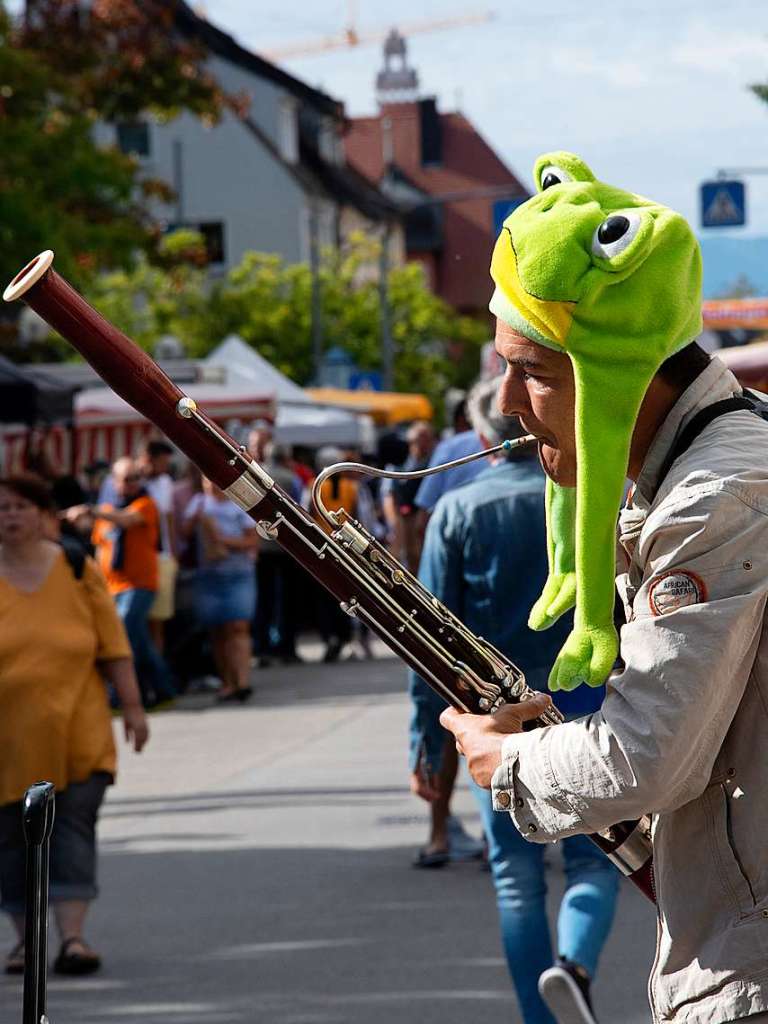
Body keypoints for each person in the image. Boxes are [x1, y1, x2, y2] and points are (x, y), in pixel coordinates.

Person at [439, 151, 768, 1024]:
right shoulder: (712, 464)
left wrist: (505, 761)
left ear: (620, 375)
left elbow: (648, 757)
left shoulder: (713, 496)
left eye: (536, 372)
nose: (504, 399)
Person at [409, 377, 618, 1023]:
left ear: (480, 439)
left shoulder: (457, 509)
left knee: (516, 880)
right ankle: (575, 967)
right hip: (589, 705)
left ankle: (540, 1014)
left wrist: (424, 740)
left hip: (495, 720)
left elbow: (430, 642)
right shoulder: (592, 501)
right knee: (594, 859)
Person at [0, 475, 148, 976]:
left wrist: (132, 708)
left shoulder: (77, 567)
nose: (11, 516)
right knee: (12, 839)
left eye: (21, 506)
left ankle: (74, 939)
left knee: (72, 829)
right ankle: (25, 943)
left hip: (79, 729)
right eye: (2, 508)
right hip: (8, 741)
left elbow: (114, 647)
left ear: (43, 514)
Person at [69, 455, 175, 708]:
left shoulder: (145, 504)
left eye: (135, 478)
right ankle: (164, 689)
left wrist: (90, 510)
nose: (131, 484)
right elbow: (98, 547)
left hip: (138, 584)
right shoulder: (106, 512)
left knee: (123, 635)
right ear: (114, 482)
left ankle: (118, 697)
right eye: (126, 479)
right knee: (139, 641)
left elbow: (127, 520)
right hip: (111, 586)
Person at [183, 477, 258, 702]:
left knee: (238, 627)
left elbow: (251, 541)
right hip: (209, 575)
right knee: (217, 631)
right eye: (207, 481)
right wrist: (195, 522)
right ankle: (228, 682)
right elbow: (183, 534)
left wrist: (222, 541)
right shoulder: (198, 503)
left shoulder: (238, 504)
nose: (212, 485)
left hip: (238, 573)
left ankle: (242, 682)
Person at [247, 435, 303, 667]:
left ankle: (261, 648)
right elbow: (299, 511)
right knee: (288, 600)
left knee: (264, 599)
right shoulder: (292, 479)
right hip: (285, 546)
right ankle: (287, 647)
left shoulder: (256, 477)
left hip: (263, 546)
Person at [137, 439, 178, 657]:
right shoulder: (130, 482)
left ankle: (157, 672)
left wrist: (172, 555)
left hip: (161, 557)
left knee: (158, 622)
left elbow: (169, 519)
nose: (165, 467)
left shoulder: (165, 482)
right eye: (162, 462)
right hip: (135, 559)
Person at [381, 420, 435, 573]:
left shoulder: (435, 462)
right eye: (420, 438)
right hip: (401, 518)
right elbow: (388, 495)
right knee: (396, 558)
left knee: (418, 556)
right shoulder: (399, 461)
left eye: (427, 438)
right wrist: (394, 523)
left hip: (422, 519)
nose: (423, 443)